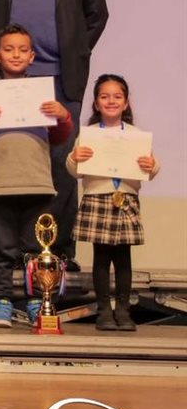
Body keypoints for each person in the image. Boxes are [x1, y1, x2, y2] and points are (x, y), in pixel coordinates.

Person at [0, 0, 108, 268]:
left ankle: (57, 251)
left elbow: (97, 15)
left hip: (61, 80)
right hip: (13, 83)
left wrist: (73, 50)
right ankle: (19, 252)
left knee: (61, 165)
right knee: (18, 165)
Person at [0, 24, 73, 329]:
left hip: (36, 181)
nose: (16, 55)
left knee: (35, 248)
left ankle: (36, 300)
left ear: (32, 56)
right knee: (1, 248)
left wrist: (63, 116)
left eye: (23, 50)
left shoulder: (42, 94)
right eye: (9, 49)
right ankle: (1, 301)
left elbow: (59, 137)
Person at [68, 74, 159, 332]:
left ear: (126, 102)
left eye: (117, 96)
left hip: (126, 199)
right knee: (101, 257)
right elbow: (74, 171)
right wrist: (75, 158)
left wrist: (152, 165)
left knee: (123, 258)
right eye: (104, 96)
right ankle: (104, 311)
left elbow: (152, 167)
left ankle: (123, 310)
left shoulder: (136, 135)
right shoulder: (88, 135)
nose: (111, 101)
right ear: (96, 103)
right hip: (97, 198)